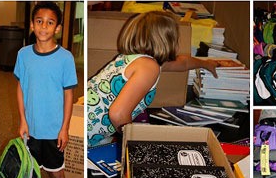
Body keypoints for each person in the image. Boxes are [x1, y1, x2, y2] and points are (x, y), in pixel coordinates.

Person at [87, 11, 219, 147]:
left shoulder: (138, 60)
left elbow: (182, 62)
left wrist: (206, 64)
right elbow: (118, 114)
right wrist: (134, 142)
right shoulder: (148, 67)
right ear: (167, 41)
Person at [15, 2, 77, 178]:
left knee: (56, 173)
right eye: (39, 21)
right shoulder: (23, 54)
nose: (44, 26)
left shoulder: (65, 58)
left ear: (57, 28)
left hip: (54, 131)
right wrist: (22, 120)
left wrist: (64, 128)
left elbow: (68, 95)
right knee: (29, 173)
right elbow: (20, 88)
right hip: (31, 128)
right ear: (32, 25)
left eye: (50, 22)